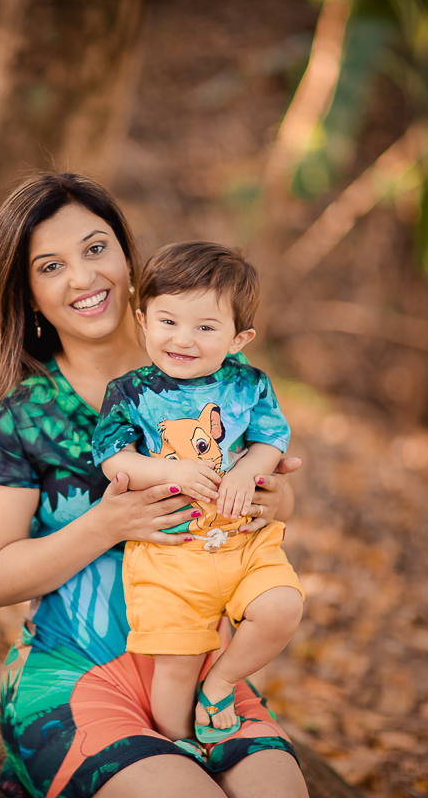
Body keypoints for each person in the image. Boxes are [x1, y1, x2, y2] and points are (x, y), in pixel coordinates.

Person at [0, 172, 307, 798]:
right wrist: (107, 523)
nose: (83, 278)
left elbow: (268, 486)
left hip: (199, 668)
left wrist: (276, 499)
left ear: (126, 256)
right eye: (51, 265)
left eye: (95, 249)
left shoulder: (218, 370)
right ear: (29, 294)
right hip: (74, 675)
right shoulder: (21, 416)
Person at [91, 241, 303, 746]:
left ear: (238, 337)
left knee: (282, 607)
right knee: (175, 667)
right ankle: (179, 745)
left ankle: (223, 681)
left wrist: (244, 472)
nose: (182, 339)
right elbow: (113, 456)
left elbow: (272, 438)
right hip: (171, 553)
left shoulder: (249, 384)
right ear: (142, 320)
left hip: (243, 540)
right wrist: (169, 474)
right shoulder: (130, 392)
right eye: (167, 322)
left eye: (205, 328)